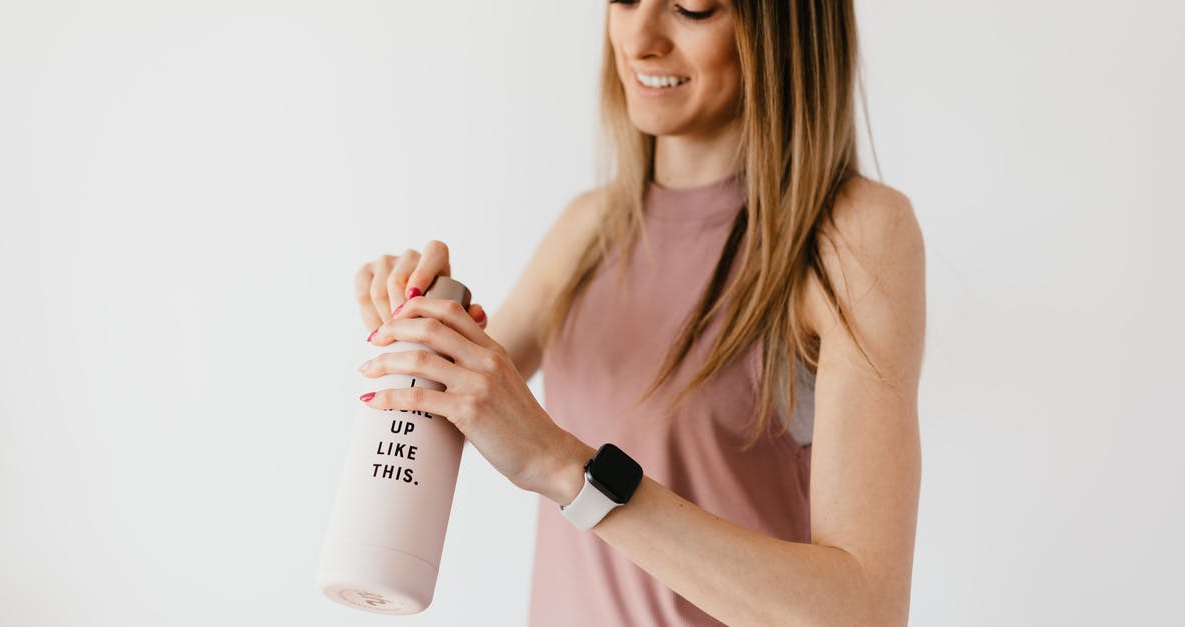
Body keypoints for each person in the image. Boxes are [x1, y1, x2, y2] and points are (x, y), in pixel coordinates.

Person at [353, 0, 924, 624]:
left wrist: (564, 467)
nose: (640, 38)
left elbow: (866, 611)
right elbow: (444, 410)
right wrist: (414, 325)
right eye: (625, 0)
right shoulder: (589, 229)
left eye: (692, 8)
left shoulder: (852, 235)